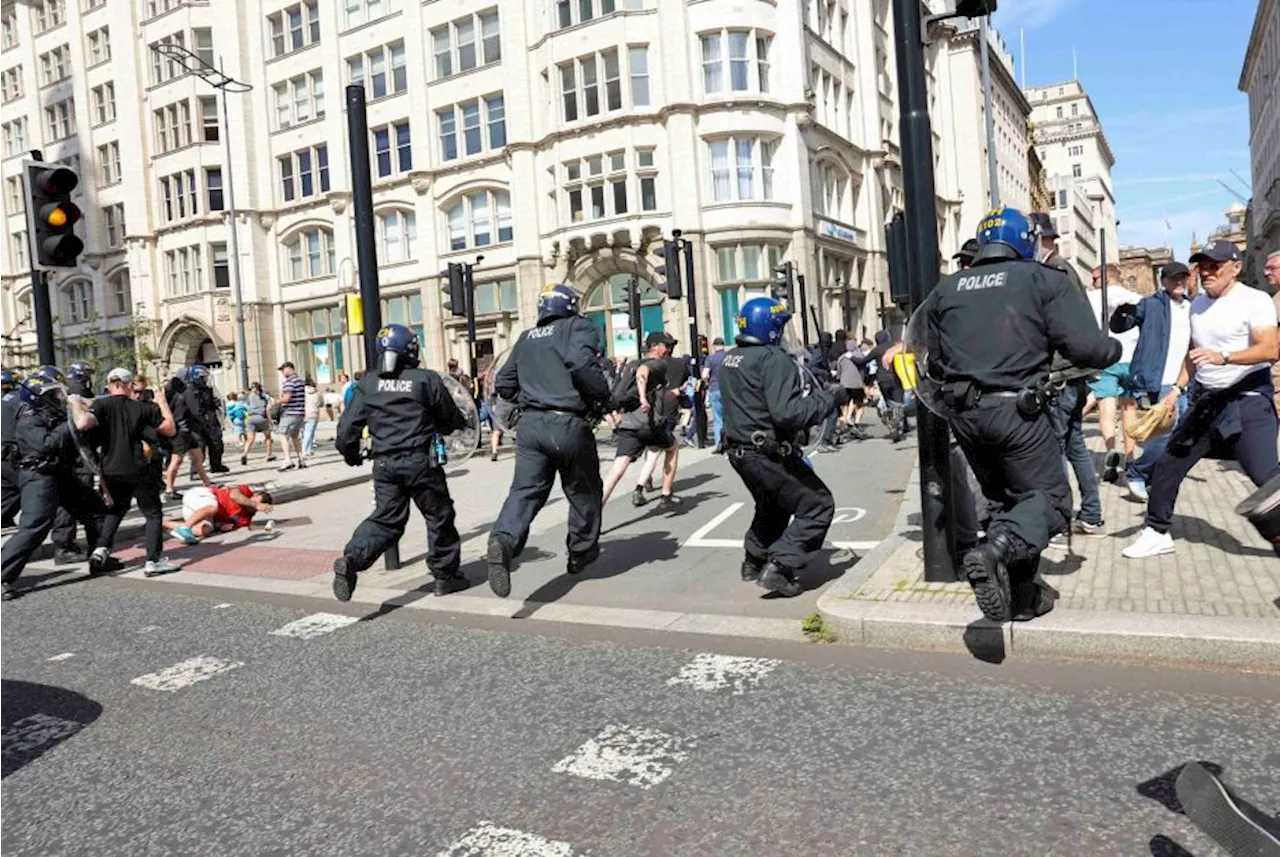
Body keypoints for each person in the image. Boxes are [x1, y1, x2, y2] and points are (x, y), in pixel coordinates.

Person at [920, 207, 1120, 623]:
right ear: (1027, 240)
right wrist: (1112, 350)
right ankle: (993, 552)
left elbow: (932, 360)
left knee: (1005, 503)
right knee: (1049, 502)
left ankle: (1020, 598)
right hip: (1017, 414)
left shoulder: (947, 289)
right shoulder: (1043, 279)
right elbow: (1085, 348)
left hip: (965, 416)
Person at [1123, 240, 1280, 559]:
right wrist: (1176, 391)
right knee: (1169, 462)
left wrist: (1224, 356)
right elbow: (1193, 356)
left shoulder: (1255, 300)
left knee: (1268, 480)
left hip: (1247, 399)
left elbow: (1270, 349)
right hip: (1207, 402)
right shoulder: (1197, 305)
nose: (1206, 272)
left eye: (1215, 266)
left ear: (1235, 268)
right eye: (1202, 266)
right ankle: (1156, 531)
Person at [487, 283, 612, 598]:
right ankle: (580, 552)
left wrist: (526, 404)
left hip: (530, 426)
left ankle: (503, 539)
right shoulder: (577, 327)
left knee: (525, 493)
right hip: (568, 423)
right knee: (584, 490)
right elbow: (582, 364)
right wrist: (601, 398)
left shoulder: (526, 337)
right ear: (570, 306)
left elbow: (503, 382)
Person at [332, 324, 471, 601]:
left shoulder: (368, 383)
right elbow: (450, 419)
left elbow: (346, 430)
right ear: (410, 349)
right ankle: (445, 576)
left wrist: (351, 456)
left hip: (384, 464)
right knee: (439, 516)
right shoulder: (425, 380)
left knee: (386, 520)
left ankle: (352, 559)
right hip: (421, 462)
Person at [719, 297, 846, 597]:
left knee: (772, 506)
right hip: (766, 452)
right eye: (781, 327)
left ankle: (753, 560)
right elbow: (787, 413)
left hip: (740, 451)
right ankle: (780, 566)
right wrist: (830, 399)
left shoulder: (731, 357)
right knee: (817, 505)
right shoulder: (772, 359)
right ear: (771, 329)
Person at [1027, 212, 1105, 547]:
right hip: (1073, 373)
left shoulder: (1052, 271)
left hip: (1061, 373)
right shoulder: (1064, 269)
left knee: (1053, 451)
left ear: (1036, 239)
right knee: (1076, 447)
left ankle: (1057, 523)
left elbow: (1056, 327)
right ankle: (1091, 514)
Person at [0, 367, 106, 600]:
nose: (58, 398)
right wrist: (69, 424)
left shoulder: (50, 413)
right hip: (39, 476)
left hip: (59, 473)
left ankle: (100, 557)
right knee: (34, 527)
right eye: (53, 394)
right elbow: (45, 444)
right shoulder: (28, 418)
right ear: (40, 397)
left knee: (96, 509)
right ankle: (3, 575)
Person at [1109, 262, 1194, 500]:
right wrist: (1121, 311)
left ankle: (1154, 479)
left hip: (1186, 381)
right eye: (1173, 278)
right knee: (1165, 434)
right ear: (1163, 281)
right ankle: (1137, 472)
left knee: (1179, 435)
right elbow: (1119, 326)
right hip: (1162, 380)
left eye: (1182, 278)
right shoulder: (1149, 305)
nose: (1179, 282)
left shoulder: (1193, 307)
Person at [88, 368, 179, 577]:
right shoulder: (141, 408)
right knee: (153, 513)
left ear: (109, 385)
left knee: (116, 510)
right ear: (129, 385)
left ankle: (101, 549)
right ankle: (152, 561)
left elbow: (85, 426)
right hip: (138, 467)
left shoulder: (100, 406)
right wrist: (162, 402)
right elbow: (170, 429)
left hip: (110, 468)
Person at [601, 332, 679, 507]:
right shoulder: (659, 364)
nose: (668, 350)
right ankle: (666, 495)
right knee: (672, 448)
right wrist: (643, 397)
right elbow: (643, 373)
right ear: (655, 347)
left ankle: (595, 512)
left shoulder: (632, 364)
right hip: (649, 424)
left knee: (617, 469)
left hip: (629, 424)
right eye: (666, 346)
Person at [1086, 264, 1143, 482]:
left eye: (1094, 278)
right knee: (1129, 409)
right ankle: (1130, 457)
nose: (1092, 283)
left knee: (1106, 410)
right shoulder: (1135, 298)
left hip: (1106, 359)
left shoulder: (1093, 298)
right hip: (1131, 358)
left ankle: (1111, 450)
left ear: (1106, 278)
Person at [50, 360, 97, 565]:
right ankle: (65, 546)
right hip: (79, 459)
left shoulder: (66, 394)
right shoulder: (78, 394)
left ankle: (66, 543)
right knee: (76, 504)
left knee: (68, 504)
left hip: (70, 459)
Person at [163, 371, 213, 500]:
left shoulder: (171, 392)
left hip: (183, 429)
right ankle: (169, 489)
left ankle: (207, 483)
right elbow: (195, 410)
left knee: (197, 456)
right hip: (184, 429)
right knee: (177, 460)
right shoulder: (187, 391)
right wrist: (204, 421)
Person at [167, 483, 273, 542]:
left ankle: (162, 524)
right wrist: (255, 504)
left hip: (197, 510)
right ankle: (185, 527)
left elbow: (220, 523)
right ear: (254, 496)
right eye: (254, 500)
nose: (252, 503)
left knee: (205, 530)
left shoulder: (245, 519)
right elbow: (234, 495)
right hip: (201, 496)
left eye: (256, 505)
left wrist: (221, 526)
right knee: (213, 507)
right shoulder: (245, 491)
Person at [0, 369, 22, 530]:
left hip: (4, 454)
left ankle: (4, 518)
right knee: (25, 488)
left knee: (8, 490)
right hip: (12, 454)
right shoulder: (18, 399)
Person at [277, 362, 306, 471]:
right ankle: (301, 459)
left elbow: (286, 398)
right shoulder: (300, 381)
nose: (282, 373)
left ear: (289, 368)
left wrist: (275, 402)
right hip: (300, 413)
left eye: (283, 370)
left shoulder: (289, 382)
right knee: (295, 436)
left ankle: (287, 459)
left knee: (282, 434)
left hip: (290, 412)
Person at [702, 337, 728, 450]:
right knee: (729, 417)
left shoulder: (710, 358)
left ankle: (719, 443)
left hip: (715, 388)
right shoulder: (729, 356)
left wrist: (708, 382)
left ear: (714, 346)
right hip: (728, 389)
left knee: (718, 418)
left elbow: (704, 375)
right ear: (723, 345)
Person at [241, 381, 275, 465]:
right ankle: (269, 454)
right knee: (268, 437)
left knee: (250, 439)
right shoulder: (264, 396)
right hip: (261, 417)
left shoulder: (249, 396)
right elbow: (270, 404)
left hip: (251, 418)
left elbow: (244, 405)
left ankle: (245, 454)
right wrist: (270, 420)